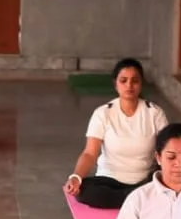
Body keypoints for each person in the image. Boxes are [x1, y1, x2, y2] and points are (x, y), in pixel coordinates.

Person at [63, 58, 169, 209]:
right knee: (84, 191)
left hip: (144, 180)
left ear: (141, 83)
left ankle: (133, 197)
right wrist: (76, 177)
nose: (129, 85)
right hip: (109, 180)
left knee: (163, 188)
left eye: (135, 81)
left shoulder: (155, 113)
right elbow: (90, 153)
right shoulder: (103, 113)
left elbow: (166, 151)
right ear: (115, 84)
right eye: (123, 80)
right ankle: (135, 199)